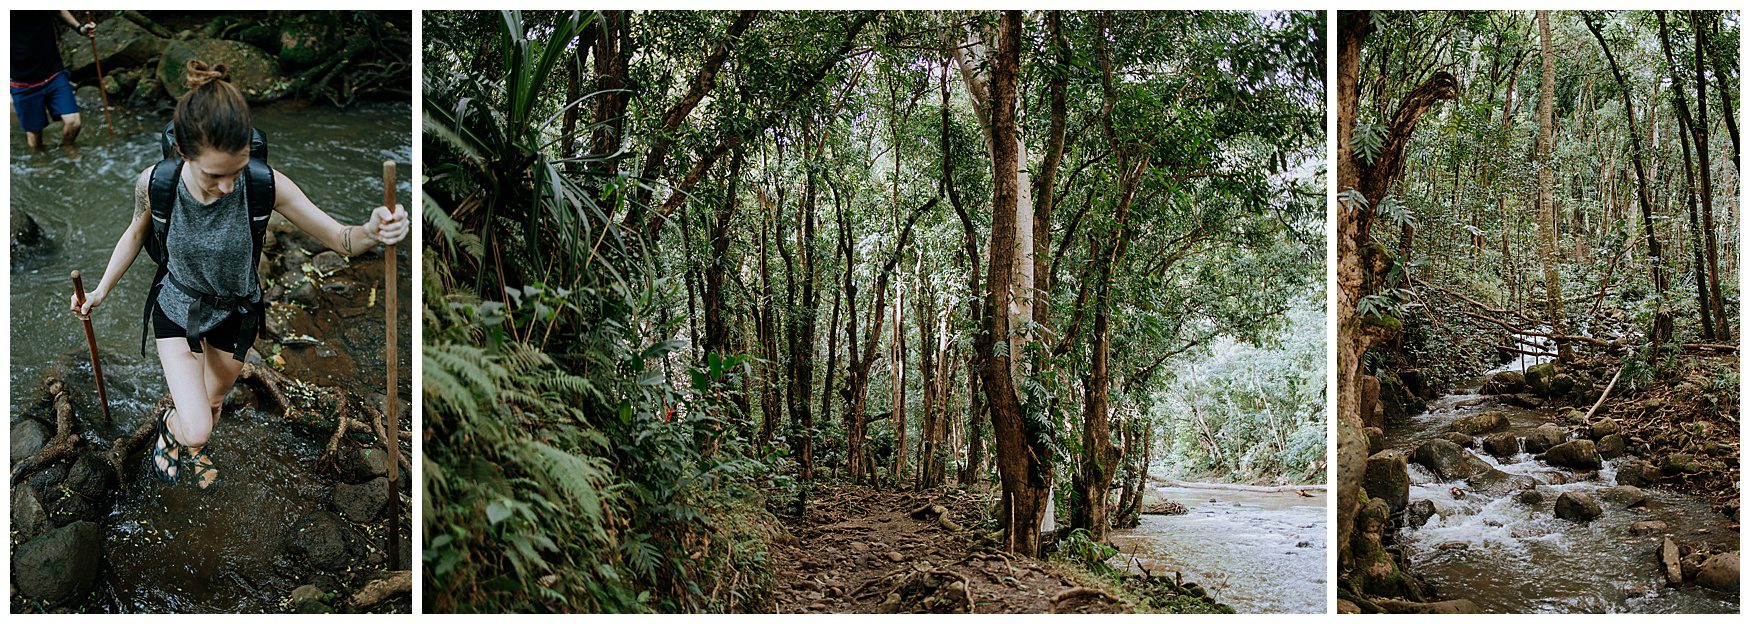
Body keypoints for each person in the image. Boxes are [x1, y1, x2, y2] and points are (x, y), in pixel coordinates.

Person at [72, 60, 408, 489]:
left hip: (238, 313)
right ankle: (176, 433)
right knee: (196, 423)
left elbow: (343, 239)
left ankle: (193, 447)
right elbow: (135, 234)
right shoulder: (155, 183)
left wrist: (375, 229)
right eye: (215, 175)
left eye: (238, 170)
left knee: (212, 400)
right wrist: (101, 290)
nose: (230, 186)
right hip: (177, 309)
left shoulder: (266, 183)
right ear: (184, 153)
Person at [11, 10, 95, 150]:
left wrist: (80, 28)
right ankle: (42, 164)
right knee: (35, 135)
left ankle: (66, 150)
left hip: (53, 72)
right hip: (23, 81)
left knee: (74, 122)